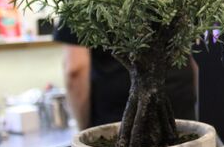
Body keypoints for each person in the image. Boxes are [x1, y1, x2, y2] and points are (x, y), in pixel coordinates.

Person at [54, 24, 196, 129]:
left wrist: (84, 129)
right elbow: (193, 59)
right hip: (180, 108)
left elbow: (75, 70)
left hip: (115, 117)